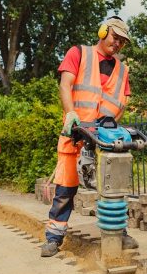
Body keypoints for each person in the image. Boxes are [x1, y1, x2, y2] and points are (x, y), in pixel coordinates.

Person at [41, 16, 138, 257]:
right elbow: (65, 85)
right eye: (115, 38)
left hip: (105, 137)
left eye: (122, 42)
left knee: (113, 187)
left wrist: (112, 124)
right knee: (65, 188)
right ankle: (54, 237)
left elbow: (122, 101)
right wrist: (70, 113)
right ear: (103, 31)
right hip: (75, 132)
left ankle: (118, 233)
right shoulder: (79, 53)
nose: (117, 44)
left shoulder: (123, 69)